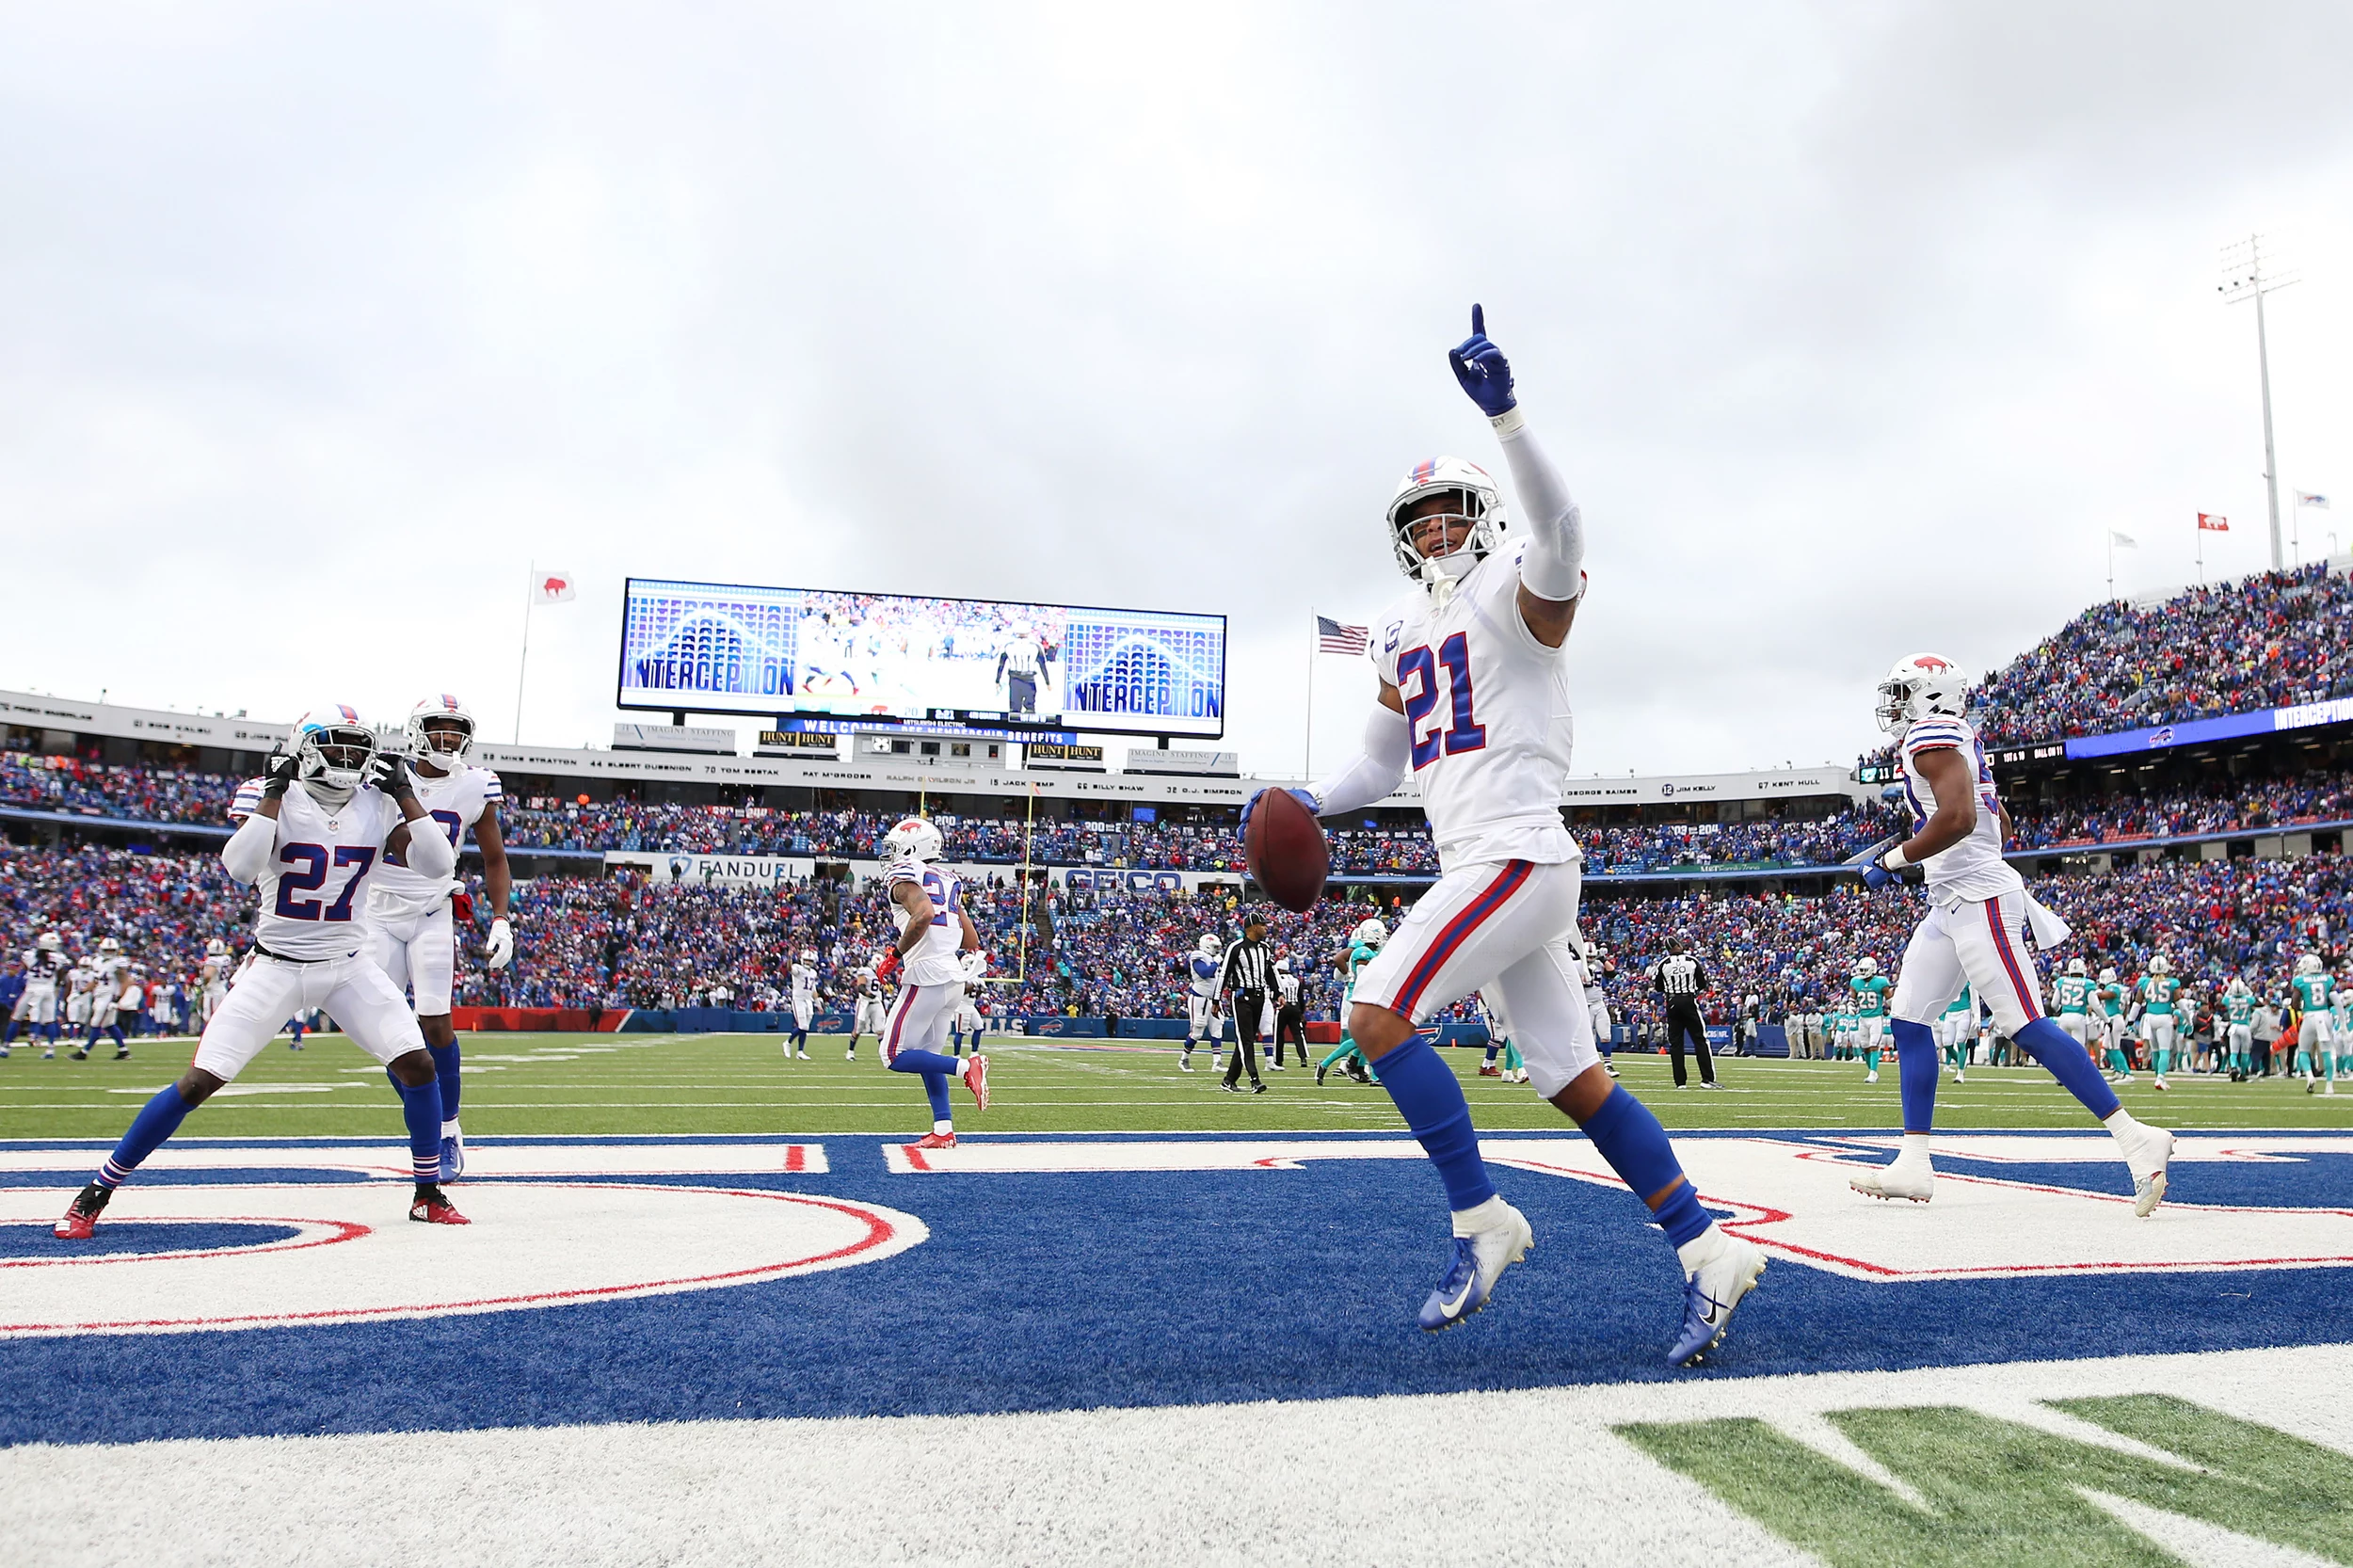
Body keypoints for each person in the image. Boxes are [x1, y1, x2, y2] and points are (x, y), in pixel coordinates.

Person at [1244, 306, 1763, 1363]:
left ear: (1478, 516)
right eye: (1420, 518)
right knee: (1572, 1079)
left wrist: (1509, 417)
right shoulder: (1400, 632)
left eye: (1450, 513)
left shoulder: (1512, 584)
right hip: (1488, 863)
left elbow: (1566, 534)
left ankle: (1484, 1223)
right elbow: (1378, 770)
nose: (1436, 530)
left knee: (1376, 1013)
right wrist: (1292, 799)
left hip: (1516, 849)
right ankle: (1707, 1250)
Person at [56, 704, 465, 1240]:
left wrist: (406, 797)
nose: (350, 758)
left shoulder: (377, 801)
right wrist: (274, 794)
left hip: (347, 963)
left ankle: (427, 1192)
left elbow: (439, 865)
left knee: (418, 1067)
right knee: (199, 1081)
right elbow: (240, 867)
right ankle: (96, 1192)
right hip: (277, 965)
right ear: (304, 749)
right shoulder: (269, 792)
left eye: (356, 746)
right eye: (336, 745)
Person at [1849, 653, 2172, 1214]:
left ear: (1929, 695)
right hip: (1952, 898)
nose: (1895, 706)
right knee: (1907, 1018)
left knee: (2025, 1025)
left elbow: (1960, 819)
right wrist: (1918, 859)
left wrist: (1898, 856)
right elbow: (1991, 821)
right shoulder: (1956, 738)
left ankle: (2136, 1139)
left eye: (1904, 692)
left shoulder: (1931, 734)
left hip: (1980, 900)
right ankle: (1915, 1162)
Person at [362, 695, 512, 1181]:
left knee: (436, 1022)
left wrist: (501, 918)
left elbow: (493, 857)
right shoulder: (381, 776)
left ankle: (446, 1130)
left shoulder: (474, 784)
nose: (447, 739)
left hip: (432, 909)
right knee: (382, 1031)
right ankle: (431, 1114)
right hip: (377, 912)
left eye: (455, 730)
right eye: (438, 729)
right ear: (415, 731)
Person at [877, 816, 988, 1149]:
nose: (890, 856)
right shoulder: (949, 879)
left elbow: (923, 913)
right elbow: (972, 938)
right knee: (928, 1055)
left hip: (927, 975)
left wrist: (894, 956)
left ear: (912, 848)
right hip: (953, 979)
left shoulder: (905, 876)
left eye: (895, 849)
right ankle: (943, 1129)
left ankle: (968, 1065)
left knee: (893, 1055)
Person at [1314, 918, 1385, 1086]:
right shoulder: (1363, 952)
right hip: (1362, 998)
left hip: (1364, 998)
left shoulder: (1368, 952)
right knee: (1369, 1037)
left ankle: (1352, 1066)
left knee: (1367, 1038)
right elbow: (1364, 979)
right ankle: (1369, 1073)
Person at [1213, 913, 1275, 1095]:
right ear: (1253, 927)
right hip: (1241, 997)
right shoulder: (1236, 948)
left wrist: (1277, 993)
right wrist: (1216, 999)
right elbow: (1224, 974)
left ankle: (1229, 1080)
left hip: (1259, 996)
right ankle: (1254, 1079)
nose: (1266, 928)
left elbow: (1270, 972)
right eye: (1263, 924)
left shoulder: (1265, 949)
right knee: (1246, 1039)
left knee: (1245, 1039)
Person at [1651, 935, 1717, 1089]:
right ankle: (1707, 1079)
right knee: (1700, 1040)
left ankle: (1680, 1082)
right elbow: (1702, 983)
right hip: (1688, 1000)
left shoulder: (1663, 964)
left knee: (1676, 1043)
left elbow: (1658, 987)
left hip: (1672, 1002)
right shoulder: (1692, 961)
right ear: (1679, 946)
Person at [1177, 933, 1223, 1073]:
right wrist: (1216, 962)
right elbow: (1204, 972)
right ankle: (1184, 1059)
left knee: (1217, 1029)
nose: (1217, 950)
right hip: (1199, 998)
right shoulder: (1198, 955)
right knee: (1197, 1030)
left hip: (1213, 999)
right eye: (1215, 947)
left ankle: (1217, 1062)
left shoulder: (1213, 958)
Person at [2289, 952, 2334, 1093]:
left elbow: (2294, 1004)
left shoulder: (2300, 980)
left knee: (2303, 1050)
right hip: (2325, 1016)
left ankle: (2310, 1076)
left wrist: (2302, 1006)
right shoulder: (2328, 979)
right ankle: (2329, 1085)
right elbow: (2332, 999)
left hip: (2310, 1016)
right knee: (2326, 1052)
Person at [2137, 954, 2181, 1093]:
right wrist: (2188, 1018)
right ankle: (2160, 1077)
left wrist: (2130, 1020)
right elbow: (2179, 1002)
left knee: (2155, 1050)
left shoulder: (2144, 982)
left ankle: (2158, 1077)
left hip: (2149, 1018)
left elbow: (2137, 1003)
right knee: (2164, 1050)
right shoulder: (2172, 983)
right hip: (2164, 1018)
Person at [1850, 956, 1889, 1083]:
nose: (1861, 972)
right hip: (1863, 1018)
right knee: (1865, 1047)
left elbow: (1889, 999)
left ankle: (1872, 1073)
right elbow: (1852, 997)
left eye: (1864, 970)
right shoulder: (1855, 981)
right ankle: (1873, 1071)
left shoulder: (1881, 982)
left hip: (1876, 1018)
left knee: (1874, 1045)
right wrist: (1850, 1006)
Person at [2095, 967, 2132, 1080]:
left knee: (2115, 1047)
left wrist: (2095, 994)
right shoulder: (2121, 988)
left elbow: (2109, 994)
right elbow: (2125, 1007)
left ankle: (2127, 1073)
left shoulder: (2113, 987)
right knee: (2107, 1047)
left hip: (2114, 1019)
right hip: (2116, 1018)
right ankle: (2117, 1071)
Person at [1270, 955, 1306, 1069]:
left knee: (1279, 1034)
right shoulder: (1296, 980)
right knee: (1297, 1034)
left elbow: (1274, 994)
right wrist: (1301, 1012)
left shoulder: (1278, 979)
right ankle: (1303, 1058)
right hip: (1295, 1007)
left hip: (1283, 1007)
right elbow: (1301, 998)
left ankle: (1278, 1060)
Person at [952, 949, 988, 1056]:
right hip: (962, 1007)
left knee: (979, 1027)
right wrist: (975, 983)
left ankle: (974, 1052)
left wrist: (980, 989)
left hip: (971, 1006)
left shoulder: (974, 976)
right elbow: (963, 990)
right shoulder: (961, 975)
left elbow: (974, 996)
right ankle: (957, 1055)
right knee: (960, 1032)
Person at [846, 964, 886, 1062]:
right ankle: (850, 1052)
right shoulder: (865, 971)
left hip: (876, 1003)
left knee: (880, 1029)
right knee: (858, 1029)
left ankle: (884, 1054)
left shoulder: (881, 973)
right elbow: (861, 987)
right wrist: (869, 994)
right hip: (865, 1003)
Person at [2220, 975, 2257, 1080]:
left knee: (2233, 1052)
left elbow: (2224, 998)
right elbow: (2252, 997)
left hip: (2234, 1026)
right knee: (2245, 1052)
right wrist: (2246, 988)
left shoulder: (2229, 999)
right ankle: (2243, 1073)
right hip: (2245, 1026)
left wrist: (2231, 988)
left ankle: (2233, 1067)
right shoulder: (2248, 999)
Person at [788, 948, 819, 1060]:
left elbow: (813, 989)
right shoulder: (798, 968)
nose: (807, 962)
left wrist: (818, 1004)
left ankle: (800, 1052)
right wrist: (789, 957)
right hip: (798, 999)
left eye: (810, 961)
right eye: (806, 960)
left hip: (808, 1000)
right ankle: (788, 1042)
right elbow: (789, 968)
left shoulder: (813, 972)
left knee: (805, 1027)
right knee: (803, 1025)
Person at [1939, 985, 1975, 1080]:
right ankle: (1961, 1062)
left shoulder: (1968, 981)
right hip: (1950, 1013)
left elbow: (1974, 998)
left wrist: (1977, 1017)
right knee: (1947, 1044)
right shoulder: (1950, 980)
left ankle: (1960, 1073)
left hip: (1964, 1012)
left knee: (1960, 1042)